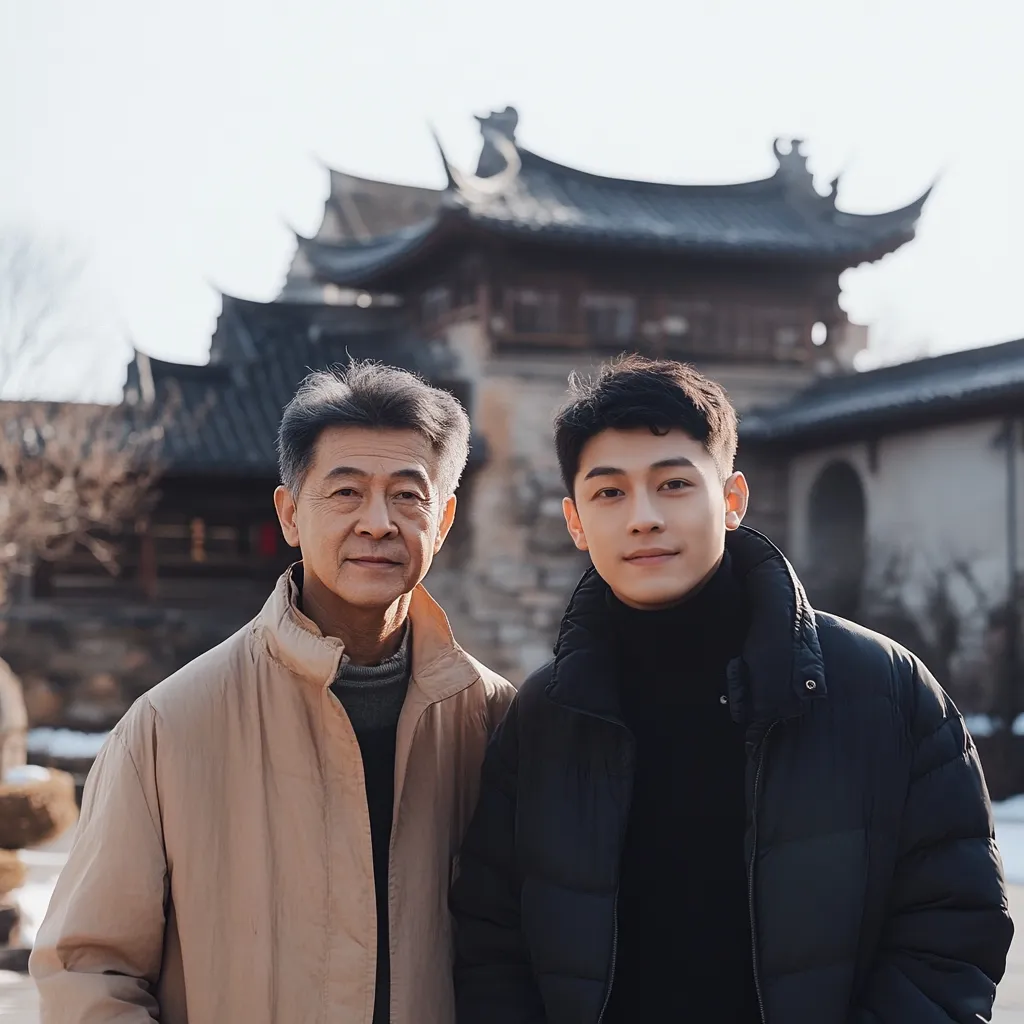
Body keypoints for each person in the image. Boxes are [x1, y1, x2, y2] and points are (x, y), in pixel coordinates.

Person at [450, 354, 1013, 1024]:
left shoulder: (883, 688)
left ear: (733, 500)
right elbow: (492, 939)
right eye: (609, 493)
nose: (643, 517)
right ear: (575, 522)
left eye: (674, 484)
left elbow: (953, 925)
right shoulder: (545, 716)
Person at [32, 362, 515, 1024]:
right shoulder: (170, 726)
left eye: (408, 495)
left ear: (445, 520)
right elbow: (88, 972)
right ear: (289, 513)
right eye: (345, 492)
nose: (378, 522)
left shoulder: (493, 719)